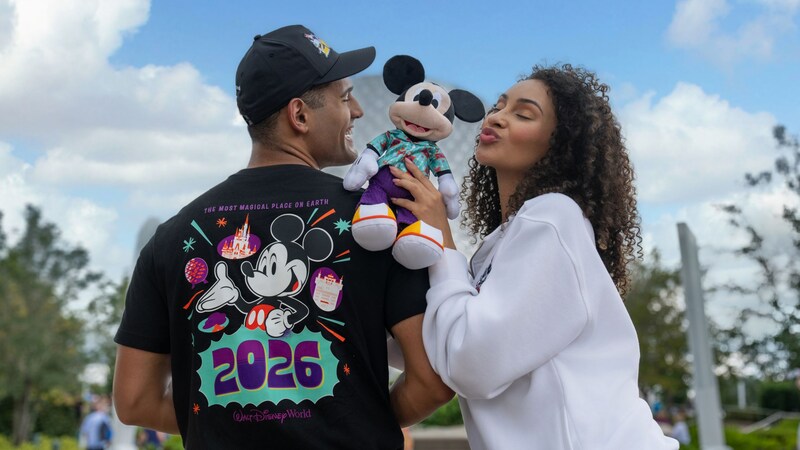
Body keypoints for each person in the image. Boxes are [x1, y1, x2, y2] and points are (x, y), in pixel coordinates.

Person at [112, 24, 453, 450]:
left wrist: (241, 429)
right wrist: (355, 420)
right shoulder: (380, 222)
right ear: (300, 115)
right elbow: (433, 382)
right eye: (345, 98)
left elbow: (135, 401)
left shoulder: (172, 237)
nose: (360, 112)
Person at [390, 64, 679, 449]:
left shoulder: (553, 216)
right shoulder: (500, 246)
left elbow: (471, 363)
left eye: (523, 114)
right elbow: (443, 342)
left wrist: (441, 236)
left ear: (560, 143)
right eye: (499, 106)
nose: (498, 117)